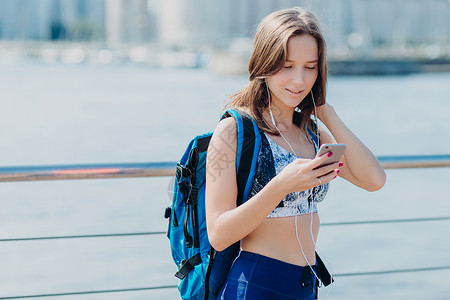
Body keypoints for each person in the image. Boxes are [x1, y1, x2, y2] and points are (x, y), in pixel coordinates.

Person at [205, 7, 386, 300]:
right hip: (256, 283)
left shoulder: (311, 133)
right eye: (287, 66)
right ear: (264, 63)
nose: (299, 81)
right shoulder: (234, 132)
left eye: (310, 67)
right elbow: (219, 234)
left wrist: (329, 114)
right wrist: (281, 184)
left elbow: (374, 180)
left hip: (306, 283)